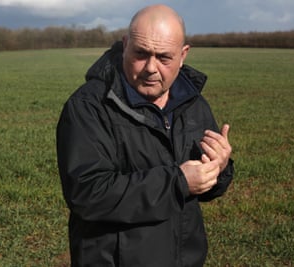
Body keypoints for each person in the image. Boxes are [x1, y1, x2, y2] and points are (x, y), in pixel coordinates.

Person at [56, 4, 234, 267]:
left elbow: (206, 186)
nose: (151, 67)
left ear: (183, 55)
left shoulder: (193, 103)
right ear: (125, 44)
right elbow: (88, 193)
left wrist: (219, 169)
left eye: (164, 57)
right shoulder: (89, 106)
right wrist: (179, 183)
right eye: (141, 54)